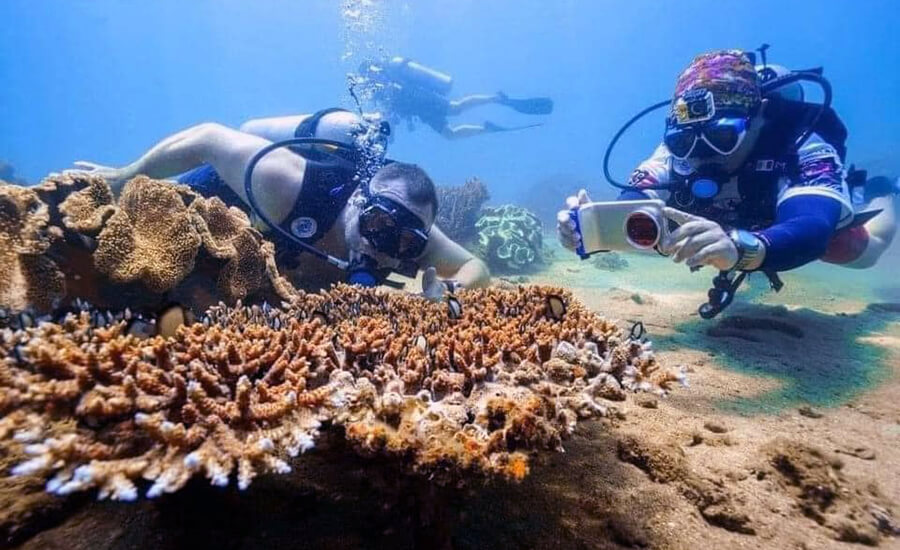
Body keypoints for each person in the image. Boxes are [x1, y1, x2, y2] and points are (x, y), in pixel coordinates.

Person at [66, 108, 490, 295]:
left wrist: (454, 288)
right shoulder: (287, 183)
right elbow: (209, 137)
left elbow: (478, 266)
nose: (383, 250)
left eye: (405, 245)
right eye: (377, 227)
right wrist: (125, 176)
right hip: (221, 197)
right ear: (360, 200)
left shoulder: (410, 229)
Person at [558, 50, 896, 280]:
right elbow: (633, 204)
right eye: (684, 142)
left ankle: (883, 192)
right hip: (736, 230)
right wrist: (590, 228)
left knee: (862, 253)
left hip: (787, 215)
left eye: (719, 137)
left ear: (758, 118)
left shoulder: (800, 141)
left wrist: (742, 248)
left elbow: (812, 224)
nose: (700, 154)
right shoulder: (670, 152)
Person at [356, 57, 554, 140]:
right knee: (449, 134)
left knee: (456, 108)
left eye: (367, 75)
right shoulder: (378, 89)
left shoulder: (388, 74)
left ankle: (496, 98)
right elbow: (392, 111)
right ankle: (486, 128)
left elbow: (400, 92)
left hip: (422, 99)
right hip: (420, 111)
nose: (367, 80)